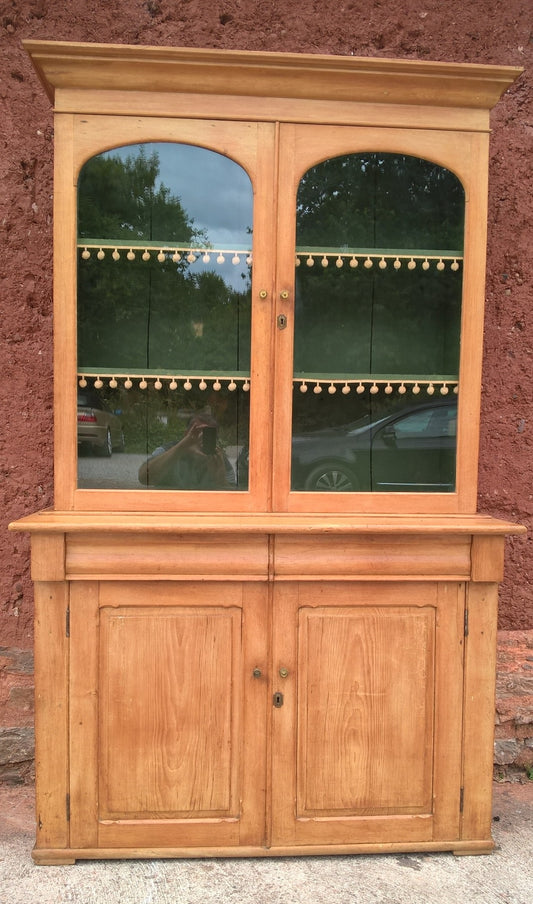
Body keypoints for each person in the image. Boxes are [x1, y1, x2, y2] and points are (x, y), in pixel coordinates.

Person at [138, 414, 236, 489]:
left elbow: (234, 500)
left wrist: (221, 480)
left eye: (208, 434)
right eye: (197, 432)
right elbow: (143, 478)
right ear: (186, 434)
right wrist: (182, 447)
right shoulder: (168, 451)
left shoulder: (218, 459)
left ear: (215, 438)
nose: (201, 437)